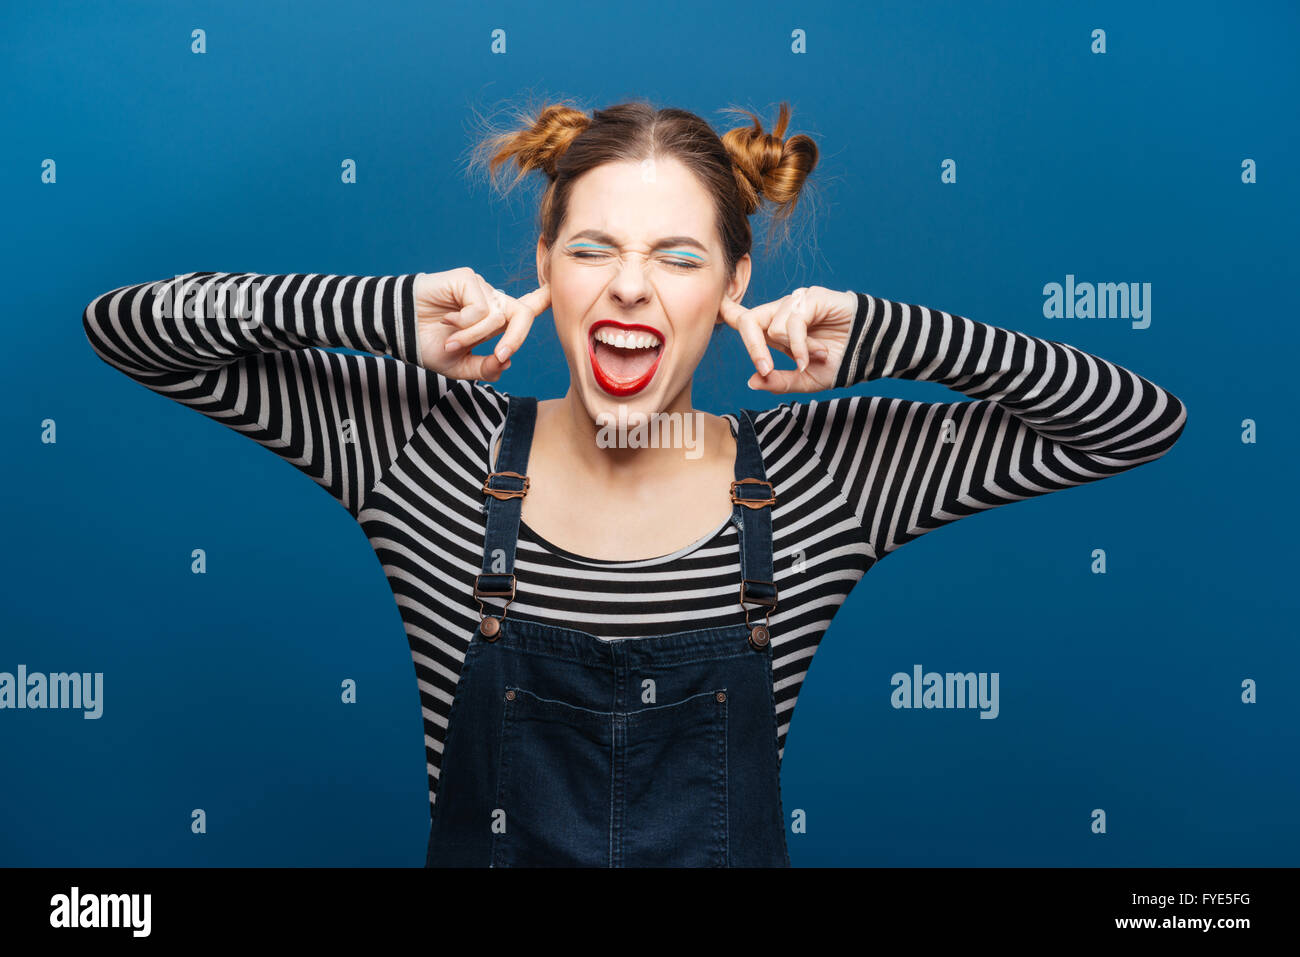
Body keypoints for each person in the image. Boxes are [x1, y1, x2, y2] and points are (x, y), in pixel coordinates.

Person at [82, 99, 1188, 867]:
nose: (628, 289)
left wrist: (886, 333)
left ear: (736, 283)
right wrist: (386, 315)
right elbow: (133, 328)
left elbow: (1131, 422)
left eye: (677, 256)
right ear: (544, 267)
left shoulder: (821, 482)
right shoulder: (427, 452)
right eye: (593, 248)